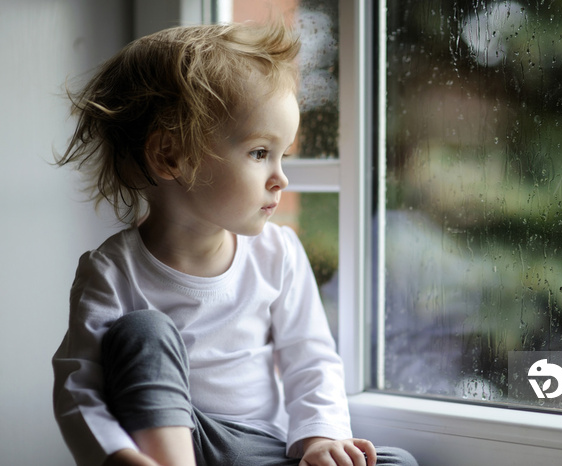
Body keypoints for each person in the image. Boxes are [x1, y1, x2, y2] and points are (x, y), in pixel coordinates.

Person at [52, 22, 418, 466]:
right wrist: (118, 457)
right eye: (260, 152)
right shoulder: (111, 271)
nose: (281, 177)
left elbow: (312, 361)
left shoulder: (278, 254)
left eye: (283, 155)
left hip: (261, 449)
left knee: (394, 461)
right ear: (171, 156)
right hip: (185, 444)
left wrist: (321, 439)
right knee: (142, 331)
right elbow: (80, 388)